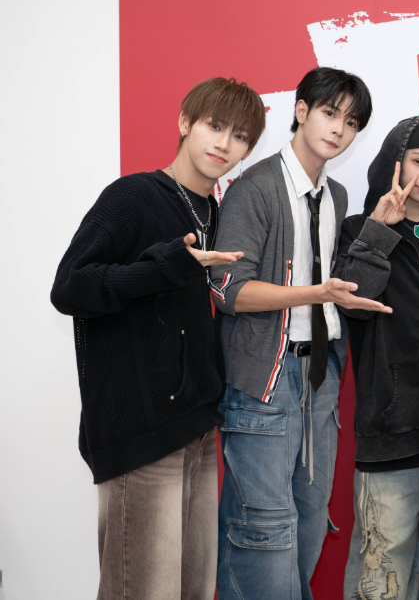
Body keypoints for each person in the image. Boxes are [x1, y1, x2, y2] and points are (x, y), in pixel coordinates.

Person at [51, 77, 265, 599]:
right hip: (140, 431)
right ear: (185, 123)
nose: (224, 144)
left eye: (240, 136)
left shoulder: (215, 212)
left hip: (196, 427)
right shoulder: (133, 196)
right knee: (141, 589)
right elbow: (70, 288)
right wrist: (163, 266)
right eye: (215, 126)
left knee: (193, 588)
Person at [209, 67, 389, 600]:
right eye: (330, 113)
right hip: (266, 377)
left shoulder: (336, 195)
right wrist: (315, 293)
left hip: (320, 377)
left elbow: (341, 286)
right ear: (301, 110)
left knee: (310, 520)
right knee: (262, 529)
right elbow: (229, 291)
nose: (338, 129)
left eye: (351, 122)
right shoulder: (255, 187)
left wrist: (378, 229)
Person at [335, 114, 419, 600]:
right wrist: (378, 230)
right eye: (418, 161)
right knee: (383, 572)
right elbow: (353, 303)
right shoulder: (358, 229)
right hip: (389, 428)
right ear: (396, 162)